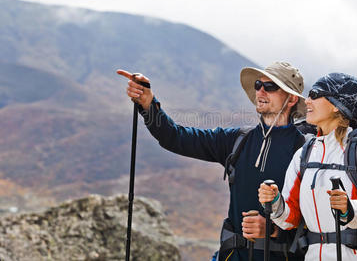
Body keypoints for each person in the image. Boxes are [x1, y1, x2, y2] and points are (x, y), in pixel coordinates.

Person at [117, 62, 308, 261]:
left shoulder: (305, 150)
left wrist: (274, 230)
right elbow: (175, 137)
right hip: (232, 256)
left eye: (270, 87)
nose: (260, 91)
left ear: (292, 98)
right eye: (258, 84)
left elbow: (315, 216)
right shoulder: (237, 140)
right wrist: (148, 104)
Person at [258, 73, 357, 261]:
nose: (307, 101)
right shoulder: (304, 153)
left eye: (315, 94)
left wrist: (349, 209)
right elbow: (290, 218)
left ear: (336, 105)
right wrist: (274, 202)